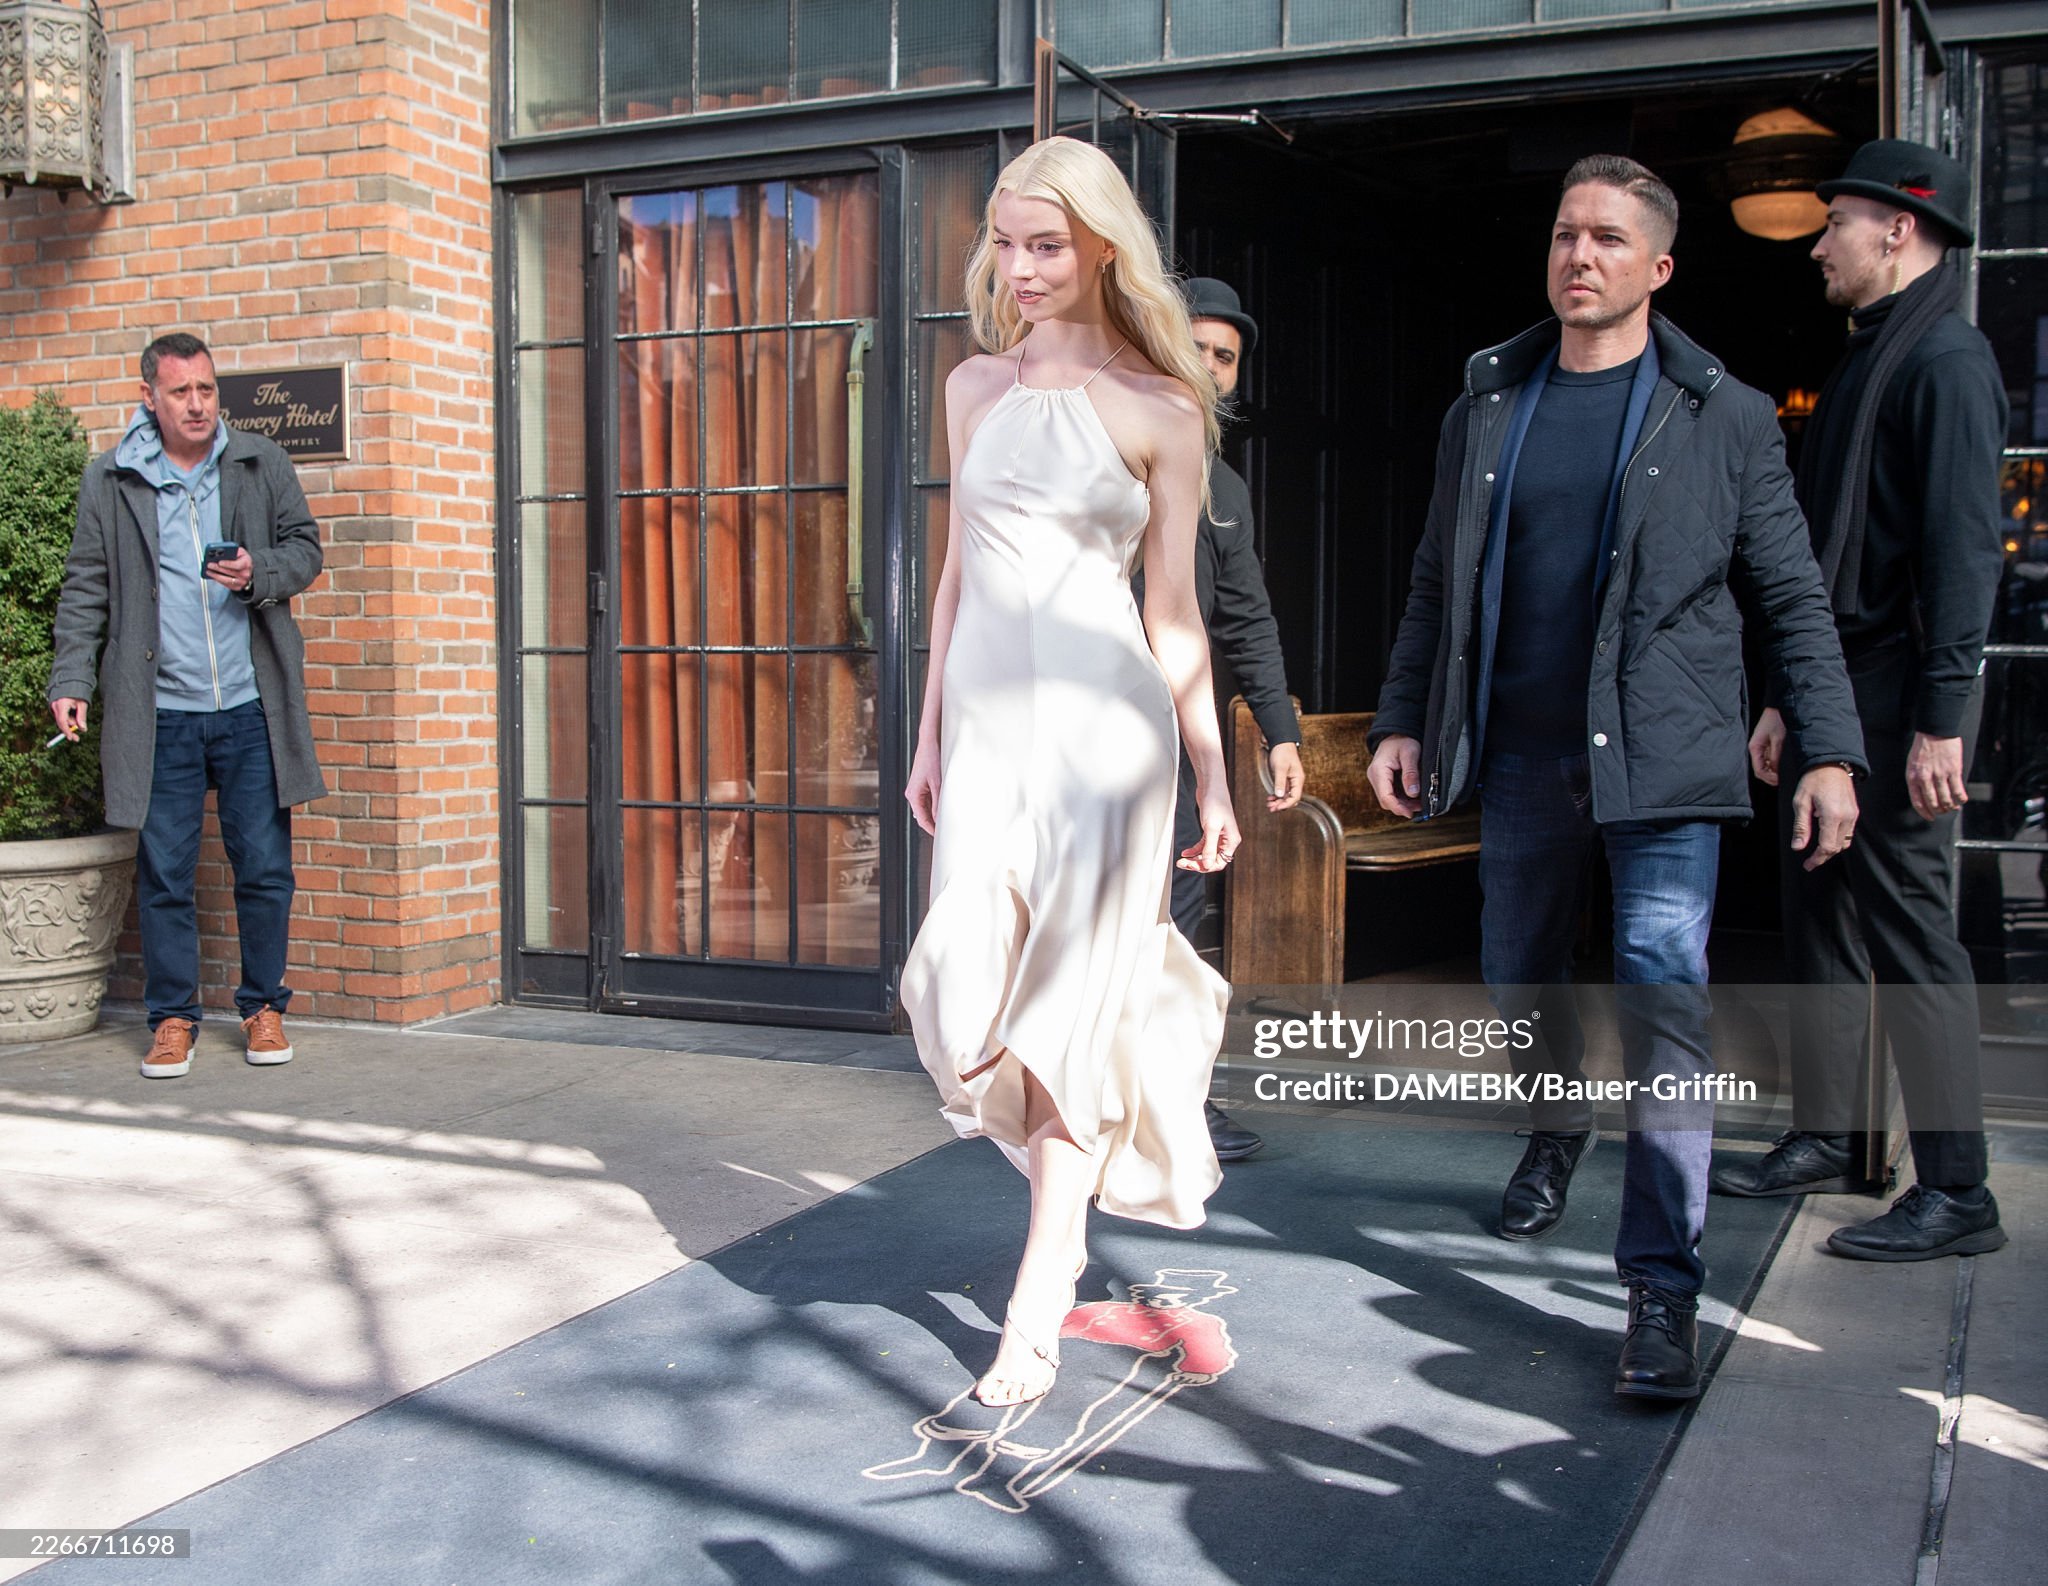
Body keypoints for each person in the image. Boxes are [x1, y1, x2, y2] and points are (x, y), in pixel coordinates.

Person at [1367, 156, 1866, 1399]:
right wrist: (1401, 719)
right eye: (1562, 234)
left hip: (1664, 758)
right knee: (1515, 972)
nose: (1577, 255)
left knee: (1662, 1007)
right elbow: (1433, 581)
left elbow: (1790, 593)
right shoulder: (1487, 402)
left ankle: (1659, 1285)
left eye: (1603, 238)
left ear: (1657, 266)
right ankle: (1554, 1123)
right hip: (1520, 754)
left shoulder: (1724, 415)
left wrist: (1828, 745)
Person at [899, 137, 1238, 1408]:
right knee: (961, 989)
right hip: (988, 736)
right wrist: (927, 733)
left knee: (1069, 1012)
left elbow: (1173, 614)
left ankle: (1039, 1287)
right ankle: (1070, 1192)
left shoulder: (1161, 406)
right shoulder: (972, 386)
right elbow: (953, 575)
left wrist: (1210, 773)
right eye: (1005, 242)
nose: (1020, 266)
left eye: (1045, 243)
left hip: (1108, 746)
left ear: (1101, 246)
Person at [1713, 140, 2009, 1262]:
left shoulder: (1946, 358)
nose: (1817, 245)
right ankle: (1829, 1134)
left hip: (1897, 697)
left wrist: (1940, 719)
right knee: (1821, 917)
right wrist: (1787, 698)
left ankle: (1958, 1190)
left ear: (1897, 227)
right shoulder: (1868, 353)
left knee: (1911, 938)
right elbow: (1822, 559)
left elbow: (1961, 554)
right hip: (1833, 688)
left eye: (1833, 222)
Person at [48, 333, 326, 1079]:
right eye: (181, 392)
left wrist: (257, 571)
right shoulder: (112, 478)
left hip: (249, 706)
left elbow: (305, 549)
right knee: (165, 873)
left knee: (263, 867)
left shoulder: (260, 461)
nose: (198, 404)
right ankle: (173, 1019)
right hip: (160, 712)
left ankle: (263, 1008)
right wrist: (71, 680)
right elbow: (86, 585)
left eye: (207, 389)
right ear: (150, 397)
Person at [1131, 276, 1306, 1162]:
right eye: (1194, 344)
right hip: (1083, 729)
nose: (1207, 365)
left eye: (1224, 356)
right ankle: (1074, 1109)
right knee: (1087, 918)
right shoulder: (1105, 447)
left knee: (1180, 917)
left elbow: (1247, 615)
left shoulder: (1222, 485)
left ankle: (1176, 1105)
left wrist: (1281, 731)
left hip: (1173, 736)